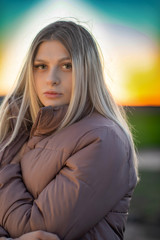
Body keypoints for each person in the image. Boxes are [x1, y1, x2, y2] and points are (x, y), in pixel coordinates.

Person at [0, 20, 138, 240]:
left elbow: (34, 230)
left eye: (67, 66)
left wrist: (5, 167)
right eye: (41, 66)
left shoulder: (103, 139)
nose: (51, 79)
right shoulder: (21, 130)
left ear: (87, 72)